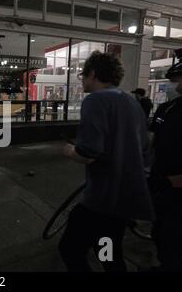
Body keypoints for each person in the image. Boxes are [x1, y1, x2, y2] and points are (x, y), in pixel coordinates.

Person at [59, 51, 154, 272]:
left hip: (102, 198)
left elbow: (88, 153)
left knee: (70, 249)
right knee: (108, 253)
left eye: (83, 74)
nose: (81, 79)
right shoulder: (132, 103)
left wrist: (70, 151)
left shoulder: (95, 101)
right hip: (125, 197)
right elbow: (144, 149)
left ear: (93, 74)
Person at [148, 48, 182, 271]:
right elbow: (152, 140)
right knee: (160, 232)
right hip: (161, 182)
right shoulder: (168, 107)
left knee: (174, 236)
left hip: (178, 189)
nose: (176, 84)